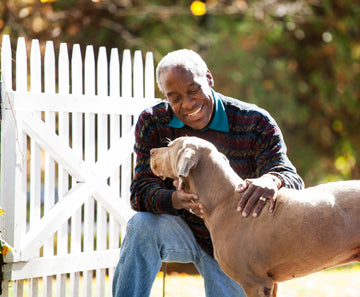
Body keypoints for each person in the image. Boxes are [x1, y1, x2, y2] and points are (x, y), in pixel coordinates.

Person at [112, 49, 304, 297]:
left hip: (236, 242)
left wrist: (272, 180)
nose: (188, 104)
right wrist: (176, 200)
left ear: (209, 79)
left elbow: (291, 178)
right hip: (182, 228)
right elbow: (140, 192)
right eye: (175, 97)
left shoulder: (255, 121)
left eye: (193, 90)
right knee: (141, 225)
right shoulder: (153, 121)